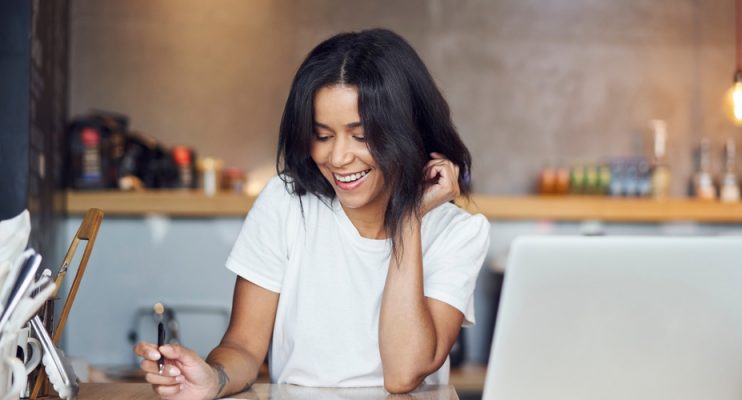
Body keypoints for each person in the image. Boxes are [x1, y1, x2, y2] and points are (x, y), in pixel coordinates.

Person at [134, 28, 489, 399]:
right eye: (322, 135)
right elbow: (243, 346)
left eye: (361, 135)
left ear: (407, 130)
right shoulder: (286, 203)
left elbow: (403, 374)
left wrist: (408, 218)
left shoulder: (458, 232)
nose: (337, 158)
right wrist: (214, 379)